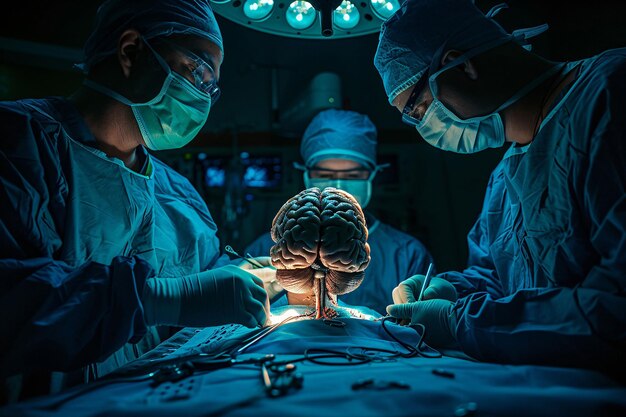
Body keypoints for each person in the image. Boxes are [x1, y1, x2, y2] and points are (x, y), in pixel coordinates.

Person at [0, 0, 269, 403]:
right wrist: (157, 300)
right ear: (131, 51)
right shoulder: (18, 146)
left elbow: (204, 280)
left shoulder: (178, 194)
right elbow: (12, 299)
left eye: (211, 87)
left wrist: (255, 272)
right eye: (198, 72)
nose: (203, 96)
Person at [374, 0, 626, 369]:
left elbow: (616, 305)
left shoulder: (611, 95)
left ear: (461, 65)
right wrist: (454, 290)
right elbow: (499, 274)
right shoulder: (507, 176)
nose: (423, 126)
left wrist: (458, 320)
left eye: (416, 110)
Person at [245, 109, 436, 315]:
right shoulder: (262, 251)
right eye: (324, 174)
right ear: (306, 174)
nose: (338, 183)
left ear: (372, 175)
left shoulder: (406, 254)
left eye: (353, 174)